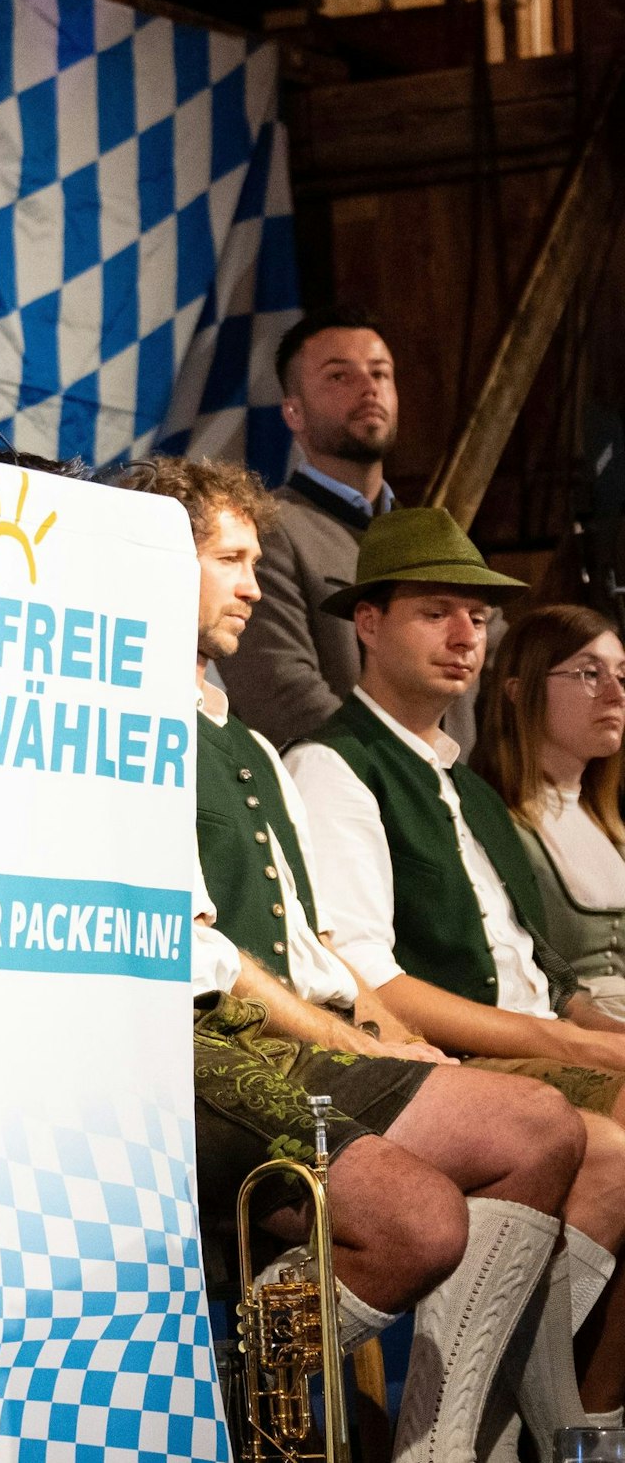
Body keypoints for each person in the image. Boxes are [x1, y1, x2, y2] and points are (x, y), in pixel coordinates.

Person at [129, 456, 625, 1456]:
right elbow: (204, 954)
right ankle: (240, 1383)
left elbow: (317, 948)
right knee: (431, 1212)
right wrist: (370, 1038)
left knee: (545, 1134)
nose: (253, 585)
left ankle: (474, 1439)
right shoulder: (143, 727)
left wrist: (390, 1038)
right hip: (199, 1044)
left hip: (308, 1035)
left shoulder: (253, 748)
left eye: (254, 561)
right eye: (228, 559)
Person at [285, 507, 625, 1424]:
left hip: (533, 1047)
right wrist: (578, 1047)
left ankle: (581, 1422)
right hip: (450, 1067)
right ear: (368, 624)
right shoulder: (335, 765)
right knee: (609, 1136)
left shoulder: (465, 782)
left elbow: (550, 973)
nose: (466, 635)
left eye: (477, 617)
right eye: (436, 612)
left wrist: (594, 1031)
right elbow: (371, 979)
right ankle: (483, 1427)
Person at [218, 308, 484, 754]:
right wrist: (399, 776)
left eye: (380, 373)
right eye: (339, 377)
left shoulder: (437, 541)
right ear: (294, 413)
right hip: (340, 796)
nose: (369, 387)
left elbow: (504, 680)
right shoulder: (268, 530)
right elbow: (281, 691)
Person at [475, 604, 625, 1019]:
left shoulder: (611, 826)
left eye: (622, 675)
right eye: (590, 674)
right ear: (519, 691)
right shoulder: (491, 820)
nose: (616, 693)